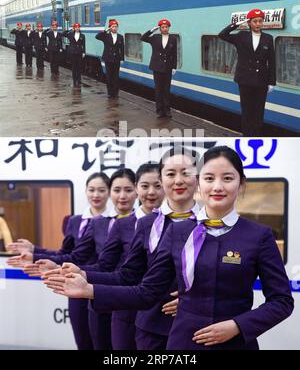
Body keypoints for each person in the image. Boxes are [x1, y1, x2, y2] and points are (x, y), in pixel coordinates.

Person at [47, 146, 294, 350]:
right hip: (182, 344)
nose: (217, 186)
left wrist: (238, 325)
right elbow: (146, 291)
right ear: (199, 184)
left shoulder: (259, 236)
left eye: (227, 178)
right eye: (209, 178)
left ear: (241, 185)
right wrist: (90, 289)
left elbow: (282, 300)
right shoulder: (178, 232)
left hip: (237, 344)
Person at [45, 147, 201, 351]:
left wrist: (198, 300)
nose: (178, 180)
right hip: (150, 327)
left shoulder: (211, 225)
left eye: (186, 173)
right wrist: (84, 276)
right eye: (171, 174)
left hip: (197, 327)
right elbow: (127, 276)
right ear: (163, 180)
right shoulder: (146, 225)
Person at [7, 173, 111, 351]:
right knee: (82, 340)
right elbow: (66, 253)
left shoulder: (115, 221)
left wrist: (36, 255)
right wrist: (35, 251)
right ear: (85, 191)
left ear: (108, 193)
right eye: (92, 190)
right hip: (74, 285)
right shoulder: (75, 221)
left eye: (101, 190)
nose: (96, 195)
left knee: (104, 342)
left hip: (103, 285)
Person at [219, 9, 276, 137]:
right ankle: (247, 136)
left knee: (259, 111)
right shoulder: (241, 36)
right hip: (244, 80)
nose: (258, 24)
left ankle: (257, 136)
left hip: (262, 80)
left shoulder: (268, 38)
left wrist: (272, 82)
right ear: (250, 22)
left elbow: (272, 61)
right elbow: (222, 35)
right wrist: (237, 23)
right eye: (255, 21)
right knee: (247, 111)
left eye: (260, 21)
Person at [141, 20, 177, 118]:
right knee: (158, 89)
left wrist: (174, 67)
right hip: (157, 67)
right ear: (160, 28)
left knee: (166, 89)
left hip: (168, 67)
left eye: (166, 27)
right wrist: (151, 31)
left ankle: (167, 110)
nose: (165, 29)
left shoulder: (173, 38)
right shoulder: (155, 37)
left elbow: (174, 54)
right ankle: (159, 110)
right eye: (163, 27)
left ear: (169, 28)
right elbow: (143, 38)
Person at [95, 19, 124, 99]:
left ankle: (116, 93)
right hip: (108, 58)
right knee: (109, 76)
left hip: (117, 59)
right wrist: (105, 31)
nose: (114, 28)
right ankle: (110, 93)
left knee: (116, 77)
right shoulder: (106, 36)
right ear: (110, 28)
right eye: (113, 27)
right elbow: (97, 36)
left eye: (116, 27)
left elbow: (122, 48)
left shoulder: (120, 37)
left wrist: (122, 59)